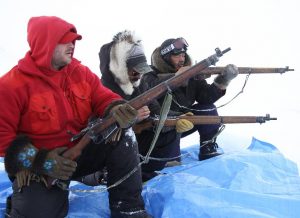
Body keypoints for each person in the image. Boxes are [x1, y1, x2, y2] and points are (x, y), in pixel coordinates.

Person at [0, 16, 150, 218]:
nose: (72, 45)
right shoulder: (10, 86)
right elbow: (3, 141)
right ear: (45, 43)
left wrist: (116, 108)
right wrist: (42, 161)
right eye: (65, 40)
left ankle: (130, 210)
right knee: (36, 213)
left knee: (123, 135)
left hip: (80, 153)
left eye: (74, 40)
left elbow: (103, 97)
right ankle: (25, 197)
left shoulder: (81, 72)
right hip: (40, 165)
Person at [98, 30, 192, 182]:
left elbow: (156, 110)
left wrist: (177, 118)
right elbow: (99, 130)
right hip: (110, 149)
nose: (139, 75)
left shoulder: (138, 84)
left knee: (170, 133)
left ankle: (144, 174)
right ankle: (111, 174)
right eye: (135, 70)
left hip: (136, 142)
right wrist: (131, 119)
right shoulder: (102, 90)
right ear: (120, 67)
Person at [143, 37, 239, 161]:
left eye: (183, 55)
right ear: (166, 57)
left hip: (185, 120)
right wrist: (178, 77)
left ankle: (207, 148)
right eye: (177, 56)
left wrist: (223, 80)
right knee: (170, 161)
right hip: (159, 125)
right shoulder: (150, 73)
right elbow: (150, 87)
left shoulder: (190, 73)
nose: (182, 59)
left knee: (207, 109)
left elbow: (206, 98)